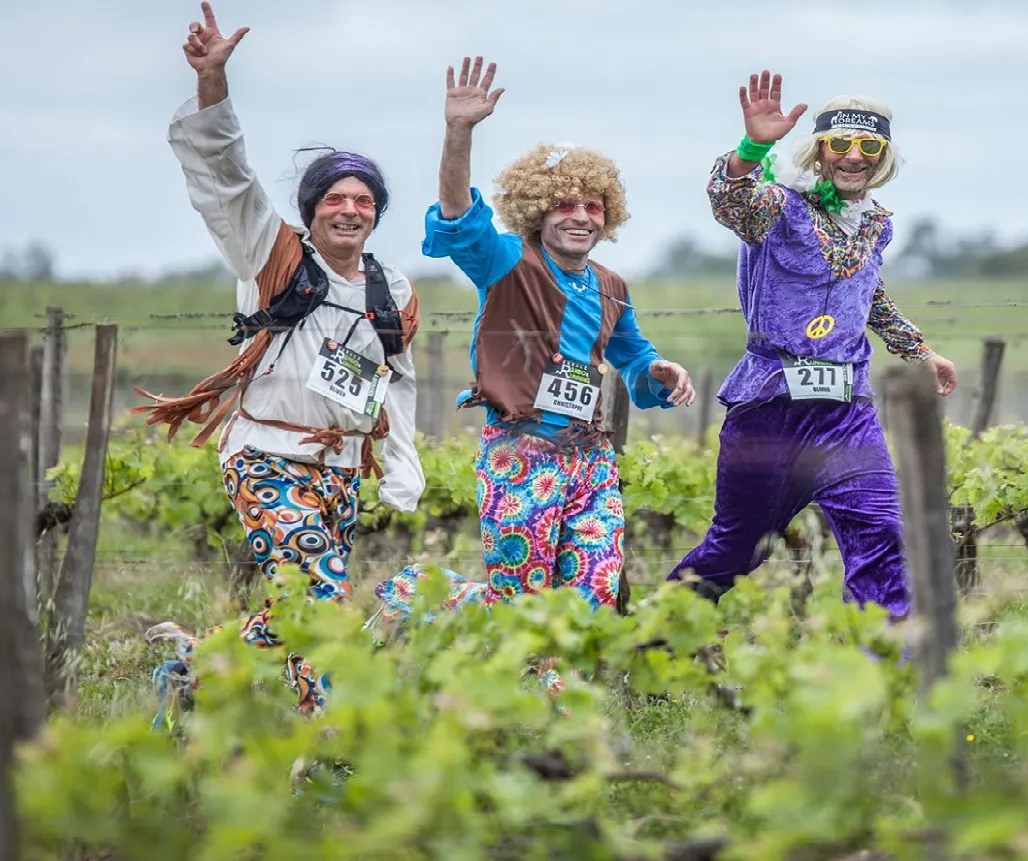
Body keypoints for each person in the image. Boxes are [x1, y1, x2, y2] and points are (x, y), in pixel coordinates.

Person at [134, 2, 425, 723]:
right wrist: (212, 85)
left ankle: (194, 668)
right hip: (263, 455)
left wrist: (400, 460)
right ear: (312, 208)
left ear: (376, 213)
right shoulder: (276, 257)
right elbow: (229, 179)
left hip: (339, 468)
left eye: (363, 200)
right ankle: (323, 745)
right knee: (322, 600)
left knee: (299, 603)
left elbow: (395, 383)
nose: (349, 209)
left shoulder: (394, 290)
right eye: (335, 198)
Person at [368, 56, 694, 696]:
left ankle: (561, 722)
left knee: (593, 597)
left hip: (590, 460)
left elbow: (631, 354)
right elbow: (459, 217)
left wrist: (657, 368)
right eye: (565, 204)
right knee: (521, 603)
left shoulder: (610, 286)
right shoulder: (507, 261)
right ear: (539, 211)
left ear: (609, 216)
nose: (581, 215)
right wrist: (458, 132)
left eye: (594, 206)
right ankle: (416, 598)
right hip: (520, 451)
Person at [666, 70, 956, 626]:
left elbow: (867, 296)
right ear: (819, 150)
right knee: (737, 550)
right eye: (839, 144)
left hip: (846, 413)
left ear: (883, 157)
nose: (854, 155)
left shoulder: (875, 225)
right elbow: (729, 200)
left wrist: (920, 352)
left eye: (868, 145)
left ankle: (886, 666)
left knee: (884, 531)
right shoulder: (777, 208)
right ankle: (655, 644)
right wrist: (753, 146)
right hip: (771, 408)